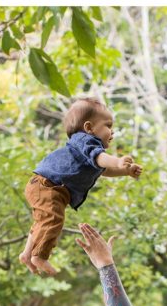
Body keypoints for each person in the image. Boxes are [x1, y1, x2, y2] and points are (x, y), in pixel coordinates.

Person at [21, 98, 143, 276]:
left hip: (49, 188)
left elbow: (103, 169)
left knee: (43, 221)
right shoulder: (85, 141)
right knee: (53, 220)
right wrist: (118, 161)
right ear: (89, 128)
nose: (113, 131)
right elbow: (101, 159)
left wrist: (125, 171)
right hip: (47, 185)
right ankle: (39, 255)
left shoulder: (89, 154)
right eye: (108, 125)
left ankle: (26, 254)